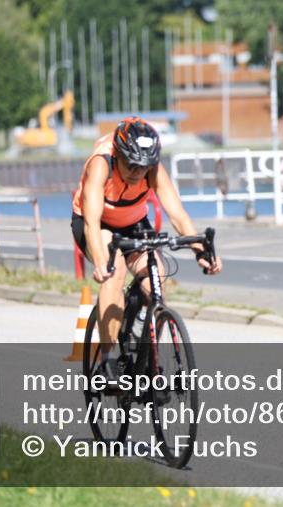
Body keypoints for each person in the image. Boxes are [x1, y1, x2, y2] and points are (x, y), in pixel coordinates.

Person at [72, 117, 222, 379]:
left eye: (142, 167)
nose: (136, 172)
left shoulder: (151, 168)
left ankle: (144, 349)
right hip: (96, 223)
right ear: (118, 155)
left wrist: (201, 251)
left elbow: (178, 215)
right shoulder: (101, 163)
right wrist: (99, 261)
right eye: (130, 165)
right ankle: (107, 362)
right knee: (114, 271)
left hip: (133, 220)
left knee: (156, 279)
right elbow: (92, 223)